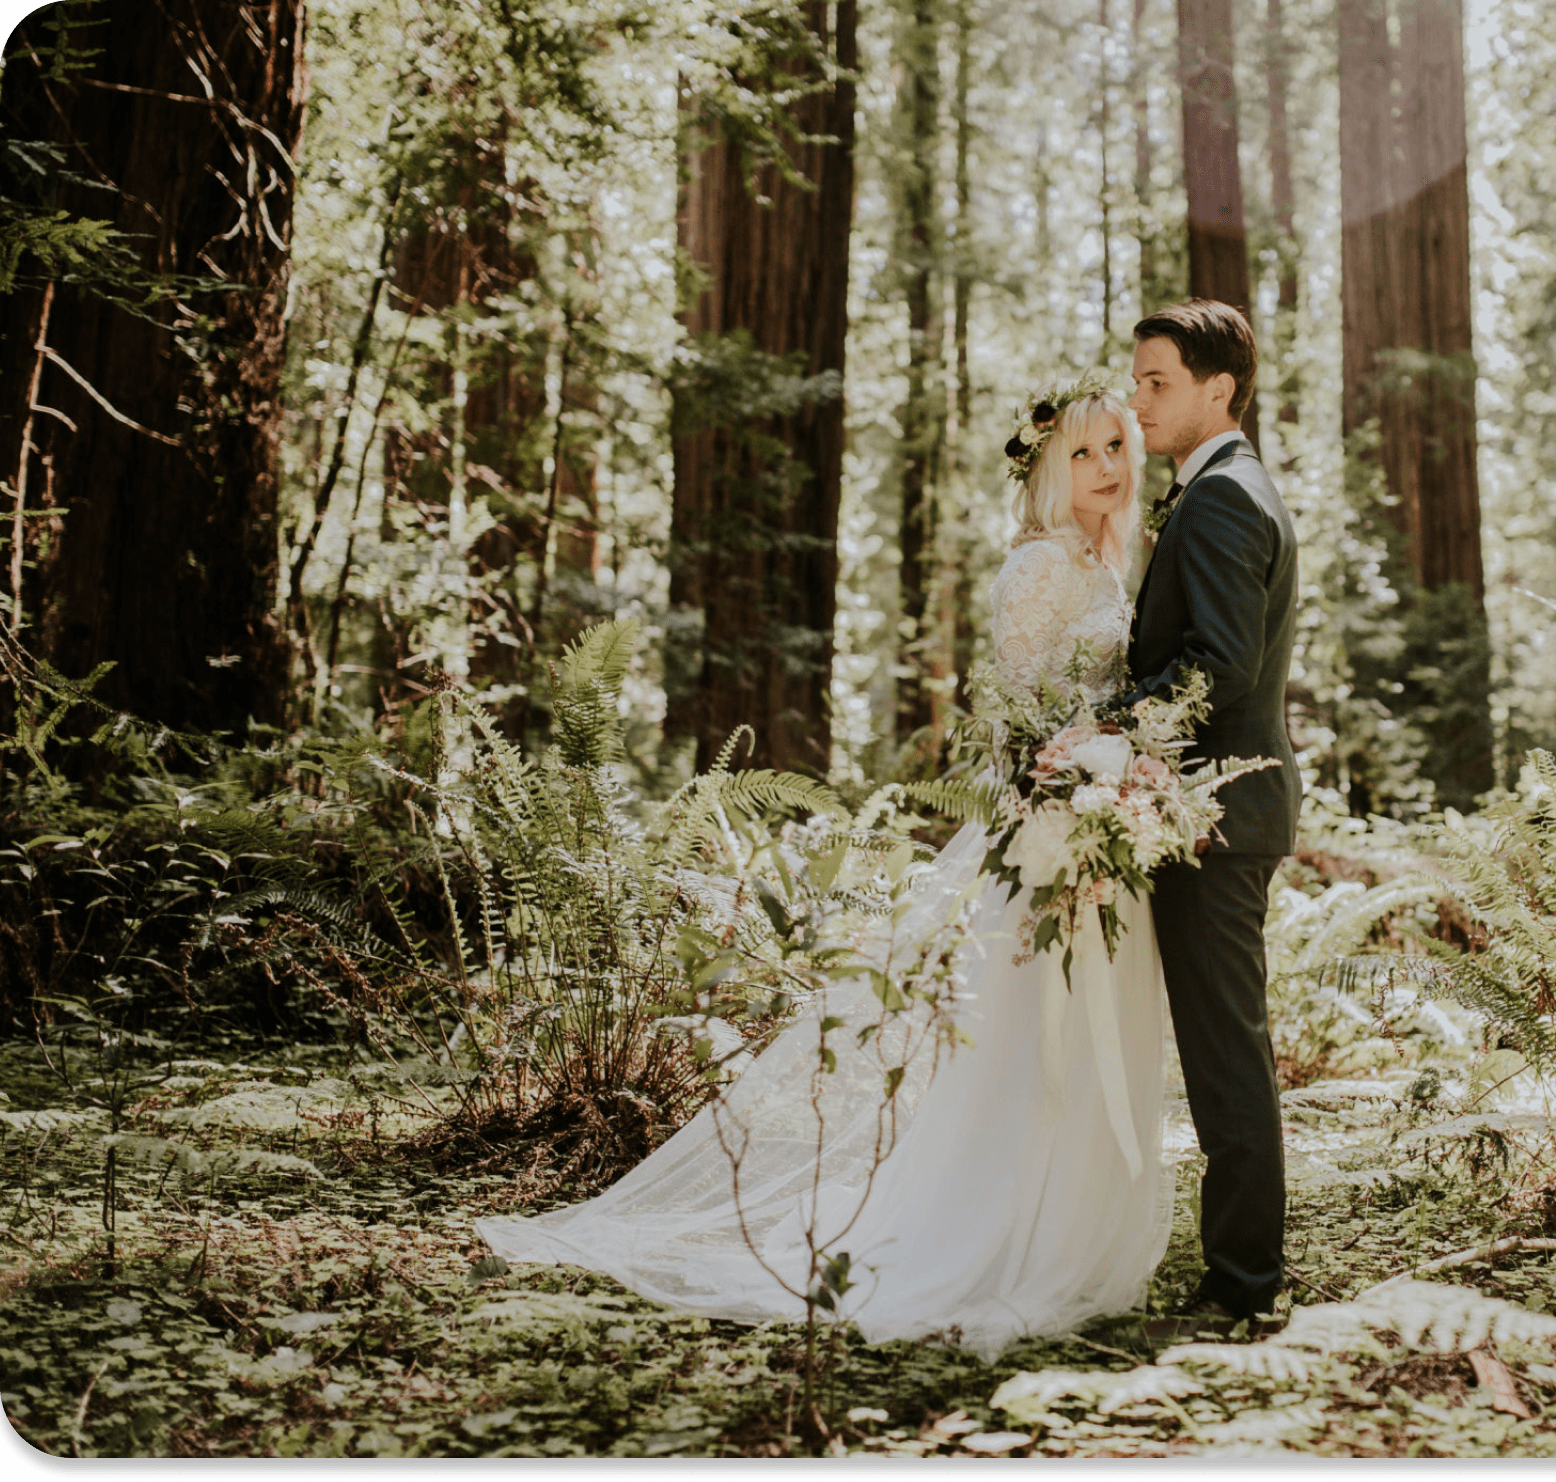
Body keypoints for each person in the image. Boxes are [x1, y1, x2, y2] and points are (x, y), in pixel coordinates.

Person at [479, 378, 1179, 1361]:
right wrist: (1066, 795)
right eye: (1086, 452)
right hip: (1046, 832)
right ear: (1050, 468)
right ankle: (1000, 1237)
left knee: (1078, 1036)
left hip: (1103, 829)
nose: (1108, 468)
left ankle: (1071, 1227)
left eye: (1119, 449)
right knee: (1035, 1045)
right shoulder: (1035, 569)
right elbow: (1012, 722)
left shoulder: (1109, 561)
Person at [1117, 298, 1302, 1325]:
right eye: (1137, 381)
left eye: (1158, 384)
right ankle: (1240, 1275)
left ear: (1217, 389)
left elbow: (1221, 664)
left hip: (1215, 816)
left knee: (1227, 1054)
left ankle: (1243, 1288)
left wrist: (1113, 732)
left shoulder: (1225, 498)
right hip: (1209, 811)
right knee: (1221, 1047)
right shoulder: (1220, 489)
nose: (1139, 402)